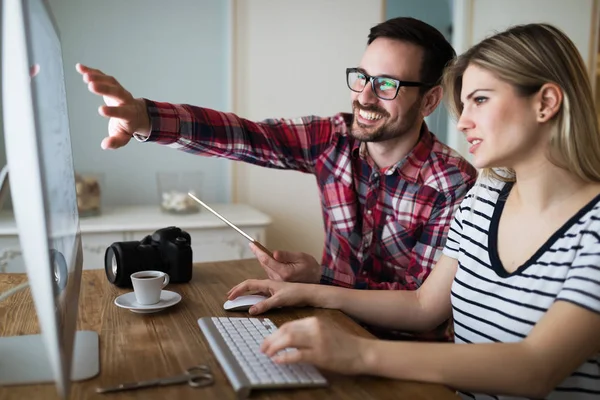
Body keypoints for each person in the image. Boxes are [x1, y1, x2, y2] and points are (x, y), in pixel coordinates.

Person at [227, 23, 600, 399]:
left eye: (481, 100)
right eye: (464, 103)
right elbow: (423, 305)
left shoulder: (593, 224)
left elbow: (536, 369)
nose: (464, 120)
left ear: (546, 103)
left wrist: (358, 352)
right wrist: (309, 291)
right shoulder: (483, 201)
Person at [77, 17, 476, 341]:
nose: (365, 98)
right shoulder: (332, 139)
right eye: (362, 77)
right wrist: (147, 119)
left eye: (387, 84)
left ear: (429, 100)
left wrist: (320, 279)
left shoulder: (452, 182)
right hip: (329, 327)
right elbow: (246, 136)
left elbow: (420, 306)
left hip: (405, 358)